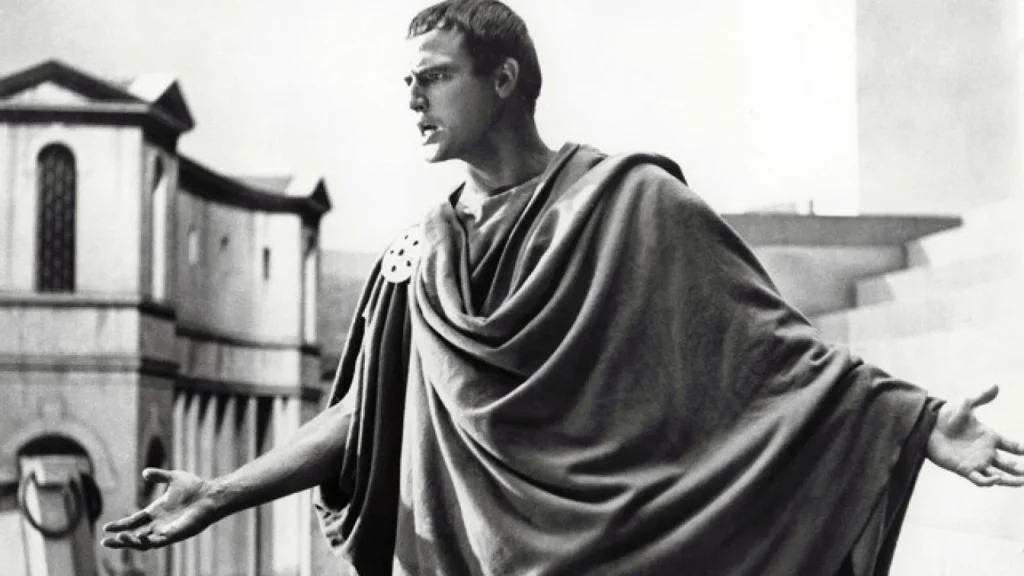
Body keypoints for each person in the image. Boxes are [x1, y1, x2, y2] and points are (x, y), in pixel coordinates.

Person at [102, 1, 1024, 574]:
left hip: (625, 553)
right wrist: (221, 493)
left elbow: (776, 355)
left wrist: (919, 421)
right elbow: (364, 415)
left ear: (504, 79)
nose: (411, 99)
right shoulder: (418, 253)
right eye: (405, 82)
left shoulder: (635, 204)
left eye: (432, 78)